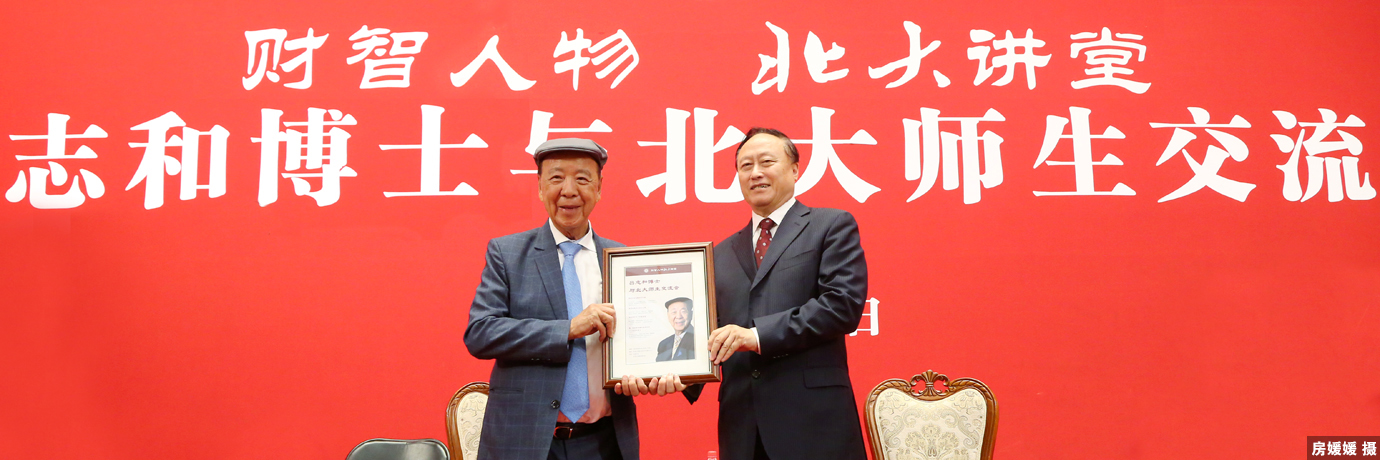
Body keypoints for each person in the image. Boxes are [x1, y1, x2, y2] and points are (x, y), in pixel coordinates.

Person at [464, 138, 681, 460]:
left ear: (599, 188)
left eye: (582, 179)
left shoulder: (622, 259)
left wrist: (652, 372)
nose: (569, 190)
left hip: (604, 442)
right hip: (525, 441)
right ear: (540, 187)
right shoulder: (507, 253)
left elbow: (641, 342)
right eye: (556, 178)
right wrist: (568, 328)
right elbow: (481, 333)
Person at [695, 127, 869, 460]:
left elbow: (841, 306)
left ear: (795, 169)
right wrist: (675, 371)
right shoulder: (720, 254)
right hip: (743, 427)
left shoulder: (830, 225)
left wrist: (755, 336)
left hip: (814, 423)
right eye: (745, 165)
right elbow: (709, 331)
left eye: (766, 162)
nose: (755, 173)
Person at [655, 297, 694, 362]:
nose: (679, 316)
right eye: (674, 312)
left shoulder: (699, 340)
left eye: (683, 311)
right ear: (668, 316)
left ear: (691, 314)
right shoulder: (663, 344)